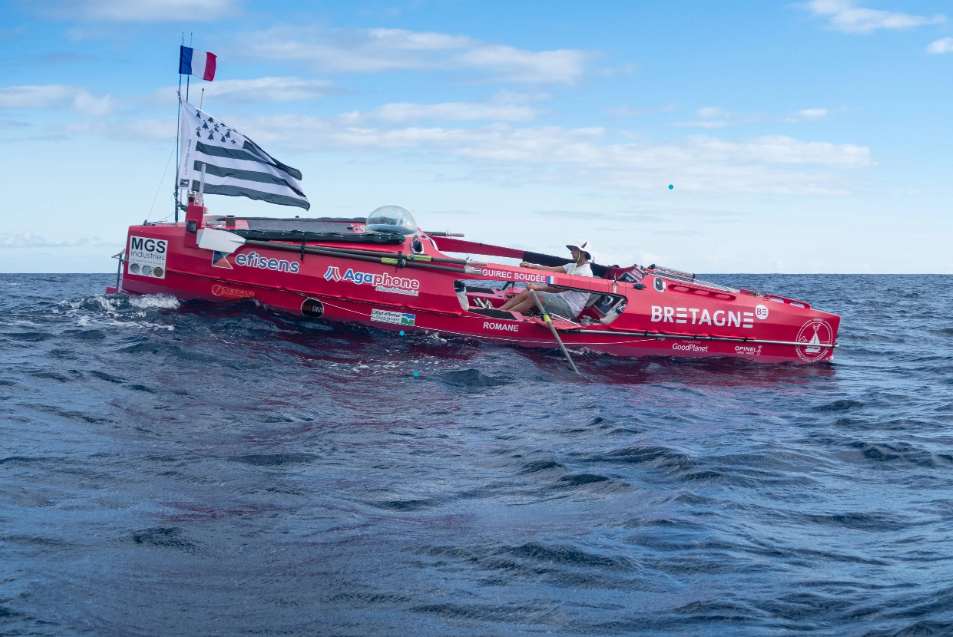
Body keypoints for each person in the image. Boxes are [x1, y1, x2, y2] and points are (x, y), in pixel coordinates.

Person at [498, 240, 595, 319]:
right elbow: (551, 269)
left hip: (570, 309)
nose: (571, 252)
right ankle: (497, 311)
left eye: (574, 249)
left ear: (583, 253)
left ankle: (501, 317)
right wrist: (531, 266)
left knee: (535, 298)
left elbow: (561, 289)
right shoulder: (572, 266)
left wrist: (537, 287)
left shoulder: (585, 273)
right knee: (528, 292)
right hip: (561, 300)